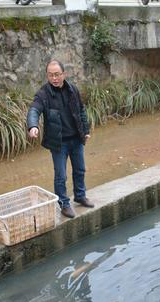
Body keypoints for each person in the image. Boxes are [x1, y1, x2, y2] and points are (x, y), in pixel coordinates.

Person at [27, 59, 93, 219]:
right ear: (47, 76)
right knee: (61, 175)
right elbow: (34, 110)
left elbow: (81, 111)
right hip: (59, 143)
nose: (54, 78)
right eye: (50, 75)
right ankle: (64, 203)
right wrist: (33, 126)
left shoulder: (72, 90)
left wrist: (85, 130)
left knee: (80, 169)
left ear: (64, 74)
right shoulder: (43, 94)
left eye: (57, 75)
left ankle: (80, 195)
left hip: (76, 139)